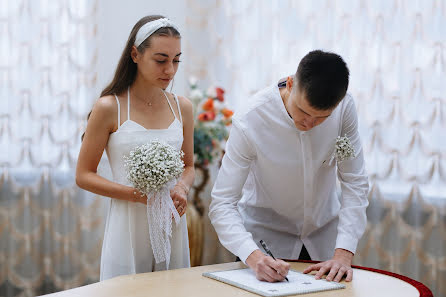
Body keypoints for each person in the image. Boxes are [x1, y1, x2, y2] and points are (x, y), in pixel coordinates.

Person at [209, 50, 369, 283]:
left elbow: (355, 182)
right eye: (303, 112)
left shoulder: (344, 108)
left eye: (322, 118)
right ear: (291, 84)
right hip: (263, 248)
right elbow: (222, 203)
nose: (309, 124)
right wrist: (254, 258)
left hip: (325, 247)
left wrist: (344, 254)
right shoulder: (250, 119)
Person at [75, 15, 194, 281]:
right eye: (161, 60)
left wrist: (182, 187)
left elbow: (188, 166)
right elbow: (83, 175)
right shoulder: (108, 107)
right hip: (127, 225)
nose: (170, 70)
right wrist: (136, 195)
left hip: (171, 223)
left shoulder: (182, 107)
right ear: (135, 54)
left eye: (176, 60)